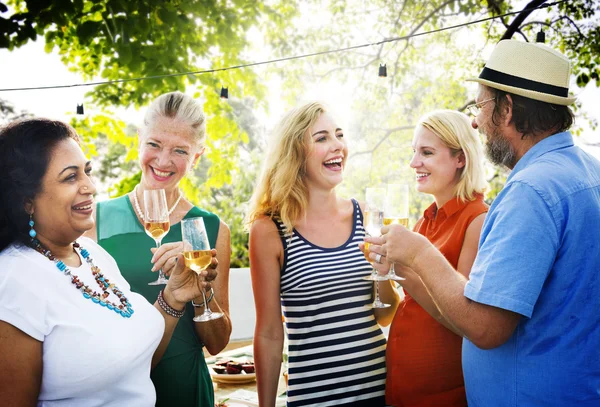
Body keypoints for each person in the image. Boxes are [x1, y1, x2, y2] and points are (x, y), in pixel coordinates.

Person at [368, 40, 600, 405]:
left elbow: (486, 327)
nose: (475, 121)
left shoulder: (530, 190)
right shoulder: (589, 172)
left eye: (481, 105)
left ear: (506, 110)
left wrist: (419, 254)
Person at [0, 118, 212, 406]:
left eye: (87, 172)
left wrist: (174, 296)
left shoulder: (92, 253)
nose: (89, 187)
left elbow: (133, 368)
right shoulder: (15, 279)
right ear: (27, 200)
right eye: (70, 177)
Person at [246, 101, 400, 407]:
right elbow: (269, 333)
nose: (338, 146)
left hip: (379, 394)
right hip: (312, 399)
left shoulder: (366, 216)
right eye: (322, 138)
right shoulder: (269, 230)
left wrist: (383, 274)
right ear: (295, 154)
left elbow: (385, 314)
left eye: (339, 135)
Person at [85, 91, 232, 407]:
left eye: (180, 150)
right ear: (138, 140)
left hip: (187, 391)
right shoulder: (95, 220)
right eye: (154, 144)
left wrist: (201, 289)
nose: (163, 161)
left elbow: (218, 344)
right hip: (116, 394)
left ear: (196, 157)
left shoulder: (212, 228)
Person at [369, 110, 488, 406]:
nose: (413, 163)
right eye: (414, 152)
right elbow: (403, 306)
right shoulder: (424, 223)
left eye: (427, 152)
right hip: (400, 386)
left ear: (460, 158)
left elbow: (466, 321)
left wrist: (406, 268)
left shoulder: (477, 220)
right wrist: (383, 272)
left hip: (443, 393)